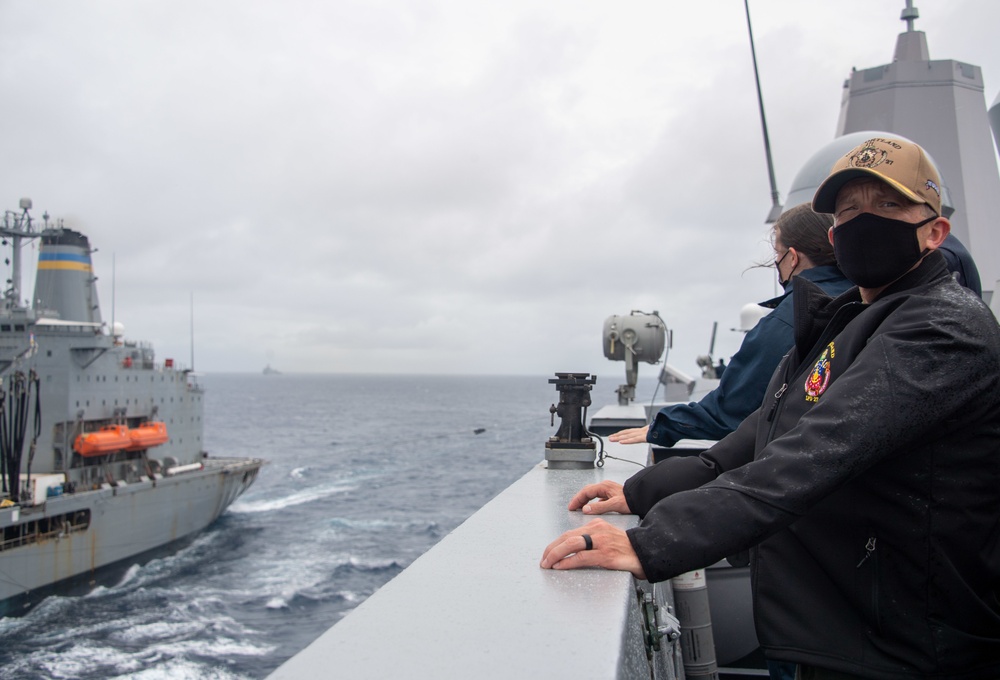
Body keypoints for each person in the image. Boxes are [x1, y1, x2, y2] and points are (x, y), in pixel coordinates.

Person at [540, 137, 1000, 679]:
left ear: (934, 233)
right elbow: (761, 434)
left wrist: (655, 543)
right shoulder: (849, 323)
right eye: (850, 209)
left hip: (913, 645)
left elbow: (814, 453)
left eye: (889, 205)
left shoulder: (942, 327)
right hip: (846, 627)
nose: (865, 221)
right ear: (834, 235)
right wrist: (640, 491)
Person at [609, 203, 851, 448]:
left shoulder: (790, 319)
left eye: (778, 254)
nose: (777, 262)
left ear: (793, 257)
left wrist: (664, 426)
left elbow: (731, 411)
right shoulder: (865, 297)